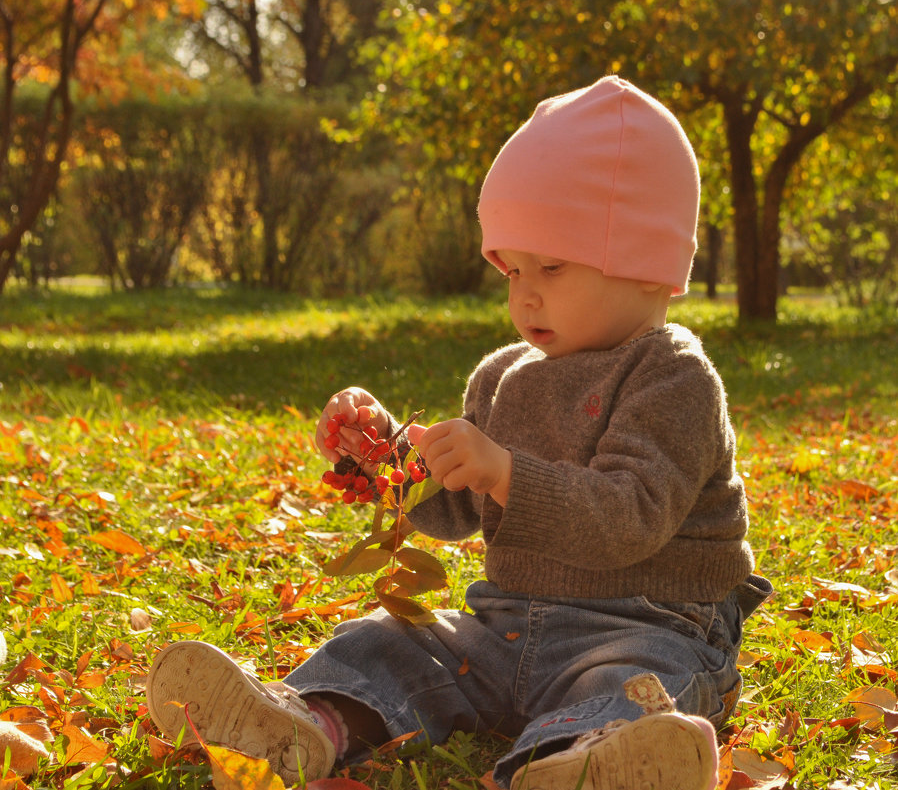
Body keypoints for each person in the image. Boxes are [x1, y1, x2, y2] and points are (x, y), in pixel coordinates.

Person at [146, 75, 772, 790]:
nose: (524, 293)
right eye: (512, 269)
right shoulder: (505, 373)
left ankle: (591, 758)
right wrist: (386, 453)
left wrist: (506, 469)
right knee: (390, 640)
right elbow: (456, 504)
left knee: (637, 681)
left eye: (553, 267)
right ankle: (303, 724)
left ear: (647, 265)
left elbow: (628, 517)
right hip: (503, 630)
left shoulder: (674, 378)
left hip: (646, 623)